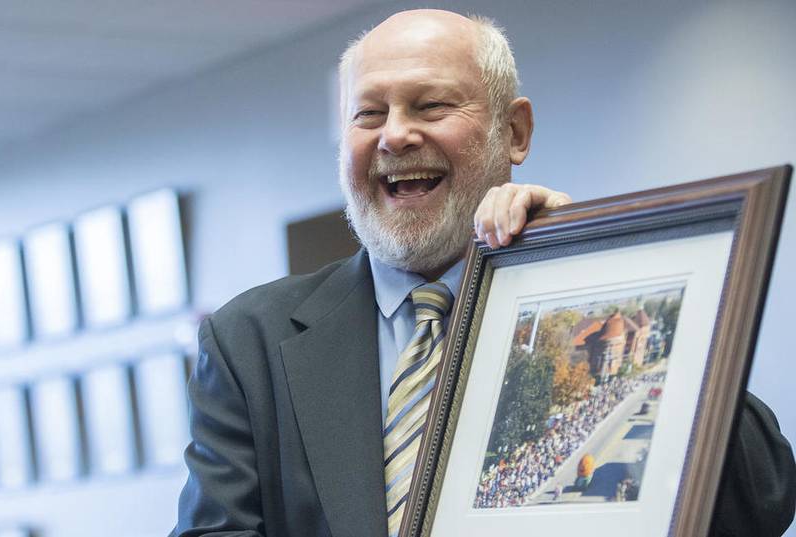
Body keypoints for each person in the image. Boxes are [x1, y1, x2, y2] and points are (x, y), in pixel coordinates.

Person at [171, 9, 795, 537]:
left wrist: (590, 278)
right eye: (367, 114)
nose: (394, 135)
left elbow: (760, 502)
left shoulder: (585, 307)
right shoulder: (247, 340)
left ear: (515, 132)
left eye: (431, 105)